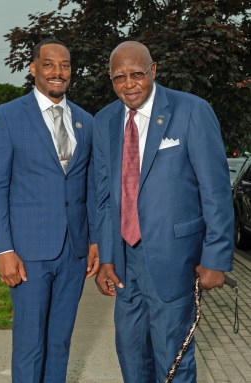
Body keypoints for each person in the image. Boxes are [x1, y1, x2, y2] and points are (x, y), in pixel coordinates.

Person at [94, 41, 234, 383]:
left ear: (153, 70)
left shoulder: (191, 111)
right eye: (119, 77)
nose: (128, 84)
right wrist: (108, 258)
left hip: (175, 258)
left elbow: (215, 191)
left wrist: (216, 258)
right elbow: (104, 197)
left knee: (173, 354)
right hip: (126, 263)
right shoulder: (104, 121)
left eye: (136, 74)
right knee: (130, 353)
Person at [0, 38, 99, 383]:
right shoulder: (6, 117)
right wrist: (4, 249)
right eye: (48, 64)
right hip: (28, 253)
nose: (57, 72)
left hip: (75, 253)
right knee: (31, 342)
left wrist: (93, 240)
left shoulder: (85, 122)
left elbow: (90, 186)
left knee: (60, 342)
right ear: (33, 68)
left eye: (64, 65)